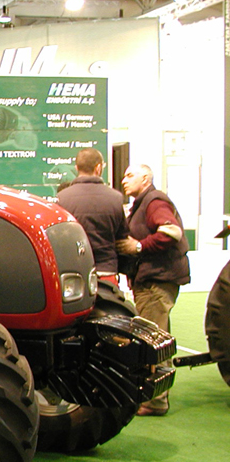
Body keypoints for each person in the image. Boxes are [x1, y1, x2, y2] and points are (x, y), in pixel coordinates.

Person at [116, 163, 190, 416]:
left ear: (146, 178)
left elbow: (171, 232)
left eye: (130, 175)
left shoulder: (154, 202)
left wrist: (138, 247)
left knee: (153, 341)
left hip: (157, 281)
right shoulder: (144, 203)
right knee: (156, 339)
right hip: (154, 279)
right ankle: (155, 397)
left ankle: (156, 401)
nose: (124, 180)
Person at [56, 149, 128, 283]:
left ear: (77, 168)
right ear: (98, 168)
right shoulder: (116, 198)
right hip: (107, 272)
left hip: (75, 274)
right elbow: (122, 239)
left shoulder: (62, 198)